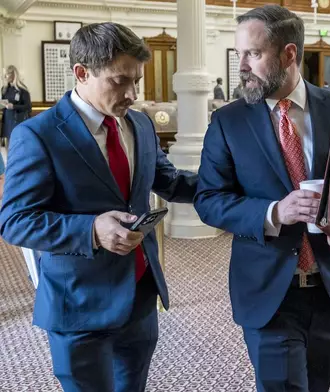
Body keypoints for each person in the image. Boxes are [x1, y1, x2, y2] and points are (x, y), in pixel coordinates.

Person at [194, 5, 330, 391]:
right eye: (239, 55)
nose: (242, 66)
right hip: (268, 292)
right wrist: (273, 212)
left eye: (253, 54)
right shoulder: (228, 121)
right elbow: (209, 199)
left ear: (288, 54)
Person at [0, 22, 198, 391]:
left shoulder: (139, 124)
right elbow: (15, 221)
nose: (133, 93)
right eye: (120, 81)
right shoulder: (38, 134)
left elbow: (169, 181)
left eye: (136, 80)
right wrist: (91, 230)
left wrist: (237, 182)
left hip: (139, 294)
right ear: (81, 73)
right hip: (78, 304)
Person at [1, 65, 32, 145]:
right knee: (8, 143)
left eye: (7, 74)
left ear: (13, 75)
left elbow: (28, 106)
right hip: (7, 119)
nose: (4, 76)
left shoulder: (22, 90)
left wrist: (13, 106)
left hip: (18, 120)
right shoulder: (4, 89)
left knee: (18, 144)